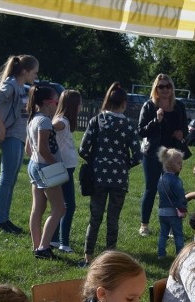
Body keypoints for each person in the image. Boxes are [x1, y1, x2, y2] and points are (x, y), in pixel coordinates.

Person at [78, 84, 142, 266]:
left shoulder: (96, 120)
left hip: (98, 177)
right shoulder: (129, 126)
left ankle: (88, 256)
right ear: (124, 103)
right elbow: (138, 156)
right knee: (113, 219)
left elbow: (83, 149)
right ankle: (110, 257)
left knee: (95, 218)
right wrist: (123, 165)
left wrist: (96, 161)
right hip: (119, 179)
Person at [0, 54, 38, 234]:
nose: (35, 76)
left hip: (18, 137)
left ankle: (4, 218)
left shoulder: (19, 86)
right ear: (24, 71)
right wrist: (1, 129)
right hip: (10, 136)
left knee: (11, 180)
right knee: (7, 179)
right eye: (34, 72)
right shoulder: (10, 85)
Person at [137, 74, 189, 237]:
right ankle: (144, 225)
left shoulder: (179, 106)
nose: (165, 89)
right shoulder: (149, 106)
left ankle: (173, 227)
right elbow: (141, 131)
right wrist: (156, 120)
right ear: (156, 89)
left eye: (168, 86)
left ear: (172, 88)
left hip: (173, 155)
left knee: (172, 189)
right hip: (153, 154)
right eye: (161, 86)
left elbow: (185, 128)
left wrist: (182, 133)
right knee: (151, 189)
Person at [25, 84, 66, 259]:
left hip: (33, 165)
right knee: (59, 208)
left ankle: (37, 246)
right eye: (56, 101)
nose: (57, 105)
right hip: (45, 167)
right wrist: (55, 164)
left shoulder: (33, 119)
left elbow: (29, 149)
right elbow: (43, 148)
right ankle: (43, 248)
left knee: (38, 208)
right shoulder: (44, 121)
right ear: (49, 103)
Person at [51, 89, 82, 254]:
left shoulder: (65, 121)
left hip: (66, 167)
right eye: (79, 103)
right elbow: (51, 127)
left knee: (60, 204)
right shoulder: (61, 121)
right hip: (62, 168)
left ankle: (54, 239)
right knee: (68, 206)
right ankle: (64, 242)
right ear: (73, 105)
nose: (81, 106)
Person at [156, 146, 188, 258]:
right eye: (179, 163)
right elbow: (181, 196)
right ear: (170, 164)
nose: (181, 165)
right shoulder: (176, 180)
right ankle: (180, 255)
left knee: (163, 234)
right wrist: (184, 206)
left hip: (162, 211)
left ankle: (161, 254)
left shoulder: (160, 179)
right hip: (173, 212)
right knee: (178, 234)